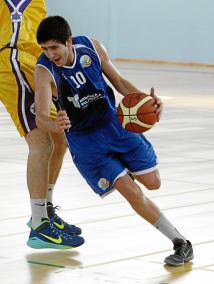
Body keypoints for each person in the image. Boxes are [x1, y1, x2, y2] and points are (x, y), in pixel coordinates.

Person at [34, 15, 194, 265]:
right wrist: (54, 123)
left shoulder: (92, 47)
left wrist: (147, 101)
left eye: (54, 47)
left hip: (114, 125)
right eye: (45, 49)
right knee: (130, 191)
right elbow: (42, 116)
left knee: (153, 183)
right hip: (86, 141)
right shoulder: (44, 71)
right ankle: (180, 242)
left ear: (69, 41)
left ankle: (121, 170)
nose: (50, 54)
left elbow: (119, 82)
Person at [0, 1, 84, 249]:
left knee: (61, 137)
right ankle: (38, 225)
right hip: (12, 59)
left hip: (33, 62)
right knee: (41, 142)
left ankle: (45, 210)